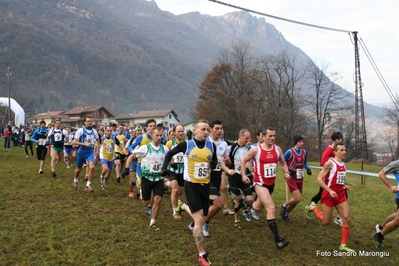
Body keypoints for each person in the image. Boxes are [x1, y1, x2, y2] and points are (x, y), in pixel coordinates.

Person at [161, 119, 217, 266]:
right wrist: (163, 168)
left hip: (205, 186)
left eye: (207, 130)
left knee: (203, 218)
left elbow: (214, 163)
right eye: (203, 129)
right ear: (196, 131)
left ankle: (183, 207)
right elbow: (169, 154)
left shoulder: (211, 145)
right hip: (191, 186)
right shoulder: (187, 145)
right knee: (199, 220)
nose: (206, 132)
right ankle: (202, 255)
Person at [240, 127, 290, 250]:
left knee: (257, 207)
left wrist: (287, 172)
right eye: (269, 136)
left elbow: (283, 163)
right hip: (259, 184)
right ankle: (278, 241)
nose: (272, 138)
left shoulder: (277, 149)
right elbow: (244, 160)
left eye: (274, 136)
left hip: (271, 184)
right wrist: (243, 175)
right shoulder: (256, 150)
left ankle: (243, 202)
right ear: (263, 136)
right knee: (271, 208)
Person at [307, 142, 354, 252]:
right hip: (329, 195)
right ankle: (313, 207)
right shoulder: (329, 163)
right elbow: (319, 179)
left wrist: (344, 185)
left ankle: (343, 245)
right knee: (326, 222)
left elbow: (338, 178)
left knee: (347, 218)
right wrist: (329, 190)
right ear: (335, 152)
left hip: (340, 195)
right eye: (341, 150)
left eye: (345, 150)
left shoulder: (343, 164)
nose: (344, 152)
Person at [131, 127, 169, 230]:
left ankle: (152, 222)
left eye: (161, 135)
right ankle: (140, 191)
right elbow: (132, 156)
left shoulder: (165, 149)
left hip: (158, 179)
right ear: (151, 136)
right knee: (146, 202)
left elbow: (169, 161)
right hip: (147, 178)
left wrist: (170, 169)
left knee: (158, 199)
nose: (159, 137)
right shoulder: (145, 148)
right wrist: (126, 168)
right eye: (157, 135)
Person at [305, 131, 344, 226]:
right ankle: (312, 207)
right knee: (323, 194)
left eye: (341, 139)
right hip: (327, 177)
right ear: (334, 140)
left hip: (334, 177)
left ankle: (311, 207)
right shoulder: (330, 149)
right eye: (338, 139)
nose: (340, 140)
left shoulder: (338, 149)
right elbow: (322, 162)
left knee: (322, 194)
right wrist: (331, 164)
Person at [223, 128, 257, 229]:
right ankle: (236, 219)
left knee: (250, 199)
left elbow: (249, 162)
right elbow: (224, 162)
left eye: (249, 138)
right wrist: (228, 166)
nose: (248, 140)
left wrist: (252, 172)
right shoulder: (231, 148)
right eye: (246, 138)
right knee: (237, 199)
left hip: (244, 176)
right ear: (240, 137)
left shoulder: (249, 148)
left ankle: (245, 210)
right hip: (233, 176)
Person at [279, 135, 312, 222]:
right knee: (297, 198)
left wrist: (308, 168)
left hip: (300, 178)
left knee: (297, 200)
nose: (301, 143)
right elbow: (282, 162)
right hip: (291, 178)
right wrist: (288, 171)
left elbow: (304, 163)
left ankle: (285, 213)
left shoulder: (304, 152)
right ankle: (284, 205)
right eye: (299, 142)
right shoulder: (290, 152)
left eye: (302, 142)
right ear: (296, 142)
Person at [373, 159, 399, 250]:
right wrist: (391, 186)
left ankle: (380, 228)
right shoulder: (396, 163)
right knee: (397, 221)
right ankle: (379, 235)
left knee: (396, 216)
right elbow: (381, 173)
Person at [72, 116, 99, 192]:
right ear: (84, 122)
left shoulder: (94, 131)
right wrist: (84, 144)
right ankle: (75, 180)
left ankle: (88, 185)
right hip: (81, 152)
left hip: (89, 152)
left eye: (91, 121)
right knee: (78, 170)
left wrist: (97, 151)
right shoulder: (80, 131)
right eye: (88, 121)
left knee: (92, 167)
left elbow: (98, 140)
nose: (90, 122)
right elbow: (74, 142)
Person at [165, 124, 186, 219]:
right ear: (174, 133)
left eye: (182, 131)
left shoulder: (187, 143)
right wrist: (170, 161)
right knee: (175, 189)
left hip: (183, 170)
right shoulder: (169, 143)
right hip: (172, 169)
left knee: (180, 192)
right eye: (179, 131)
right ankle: (175, 212)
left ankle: (166, 183)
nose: (181, 133)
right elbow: (165, 155)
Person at [99, 125, 121, 190]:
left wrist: (125, 151)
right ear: (105, 131)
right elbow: (96, 146)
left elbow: (120, 145)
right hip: (103, 155)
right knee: (105, 169)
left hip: (111, 157)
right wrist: (96, 155)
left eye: (110, 131)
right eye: (108, 131)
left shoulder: (114, 138)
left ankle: (104, 183)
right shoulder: (102, 138)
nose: (109, 132)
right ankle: (101, 176)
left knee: (109, 172)